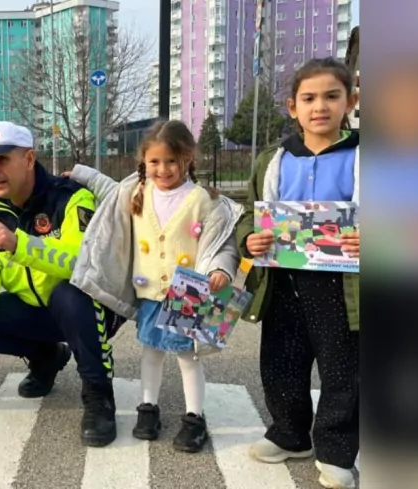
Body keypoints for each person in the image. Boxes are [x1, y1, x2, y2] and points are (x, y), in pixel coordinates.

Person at [66, 120, 242, 452]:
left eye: (171, 161)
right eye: (154, 162)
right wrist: (79, 172)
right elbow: (107, 187)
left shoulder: (202, 200)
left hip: (188, 294)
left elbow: (221, 242)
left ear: (188, 158)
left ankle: (194, 418)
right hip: (150, 294)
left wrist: (220, 270)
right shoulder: (136, 192)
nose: (163, 169)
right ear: (144, 162)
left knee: (188, 357)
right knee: (151, 352)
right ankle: (148, 409)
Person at [0, 121, 125, 447]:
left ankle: (98, 393)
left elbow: (83, 262)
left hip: (89, 307)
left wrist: (20, 245)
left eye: (2, 159)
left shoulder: (72, 197)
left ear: (29, 159)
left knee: (69, 293)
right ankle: (46, 357)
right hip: (39, 311)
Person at [238, 57, 360, 489]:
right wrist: (249, 241)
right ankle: (290, 434)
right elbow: (249, 219)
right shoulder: (274, 160)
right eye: (308, 98)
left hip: (343, 286)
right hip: (283, 281)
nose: (319, 106)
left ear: (352, 100)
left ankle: (335, 450)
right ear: (293, 106)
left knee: (342, 371)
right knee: (281, 362)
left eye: (332, 96)